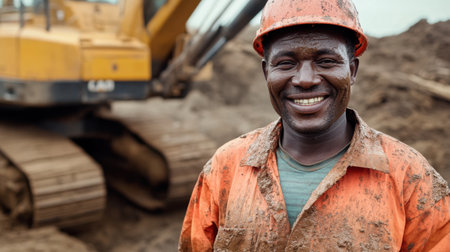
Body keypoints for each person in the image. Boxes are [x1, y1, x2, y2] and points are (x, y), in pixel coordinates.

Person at [178, 0, 450, 251]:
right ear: (266, 73)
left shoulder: (408, 175)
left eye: (326, 61)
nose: (305, 79)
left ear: (352, 71)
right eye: (286, 63)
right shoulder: (226, 167)